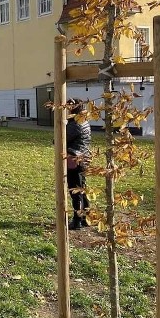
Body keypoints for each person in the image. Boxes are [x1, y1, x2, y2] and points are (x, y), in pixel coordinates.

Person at [66, 99, 92, 231]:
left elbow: (60, 139)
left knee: (75, 191)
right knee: (82, 188)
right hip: (83, 158)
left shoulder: (74, 124)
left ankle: (77, 221)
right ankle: (86, 218)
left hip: (74, 159)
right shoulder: (84, 121)